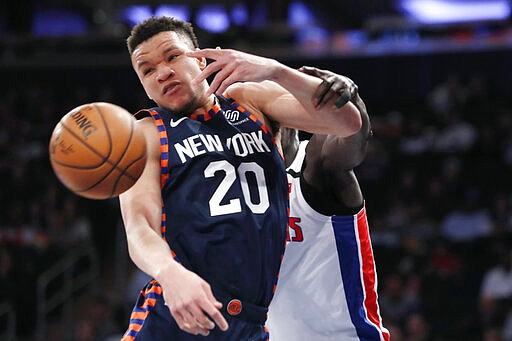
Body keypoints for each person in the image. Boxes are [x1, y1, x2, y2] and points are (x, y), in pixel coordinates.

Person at [119, 16, 362, 340]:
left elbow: (346, 123)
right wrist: (169, 273)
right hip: (177, 315)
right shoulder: (145, 133)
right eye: (147, 70)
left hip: (248, 323)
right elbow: (139, 229)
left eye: (172, 56)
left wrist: (276, 70)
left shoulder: (248, 100)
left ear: (200, 58)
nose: (162, 72)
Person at [266, 67, 390, 340]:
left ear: (290, 121)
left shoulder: (315, 166)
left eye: (269, 118)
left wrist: (349, 98)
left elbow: (350, 141)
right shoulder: (242, 189)